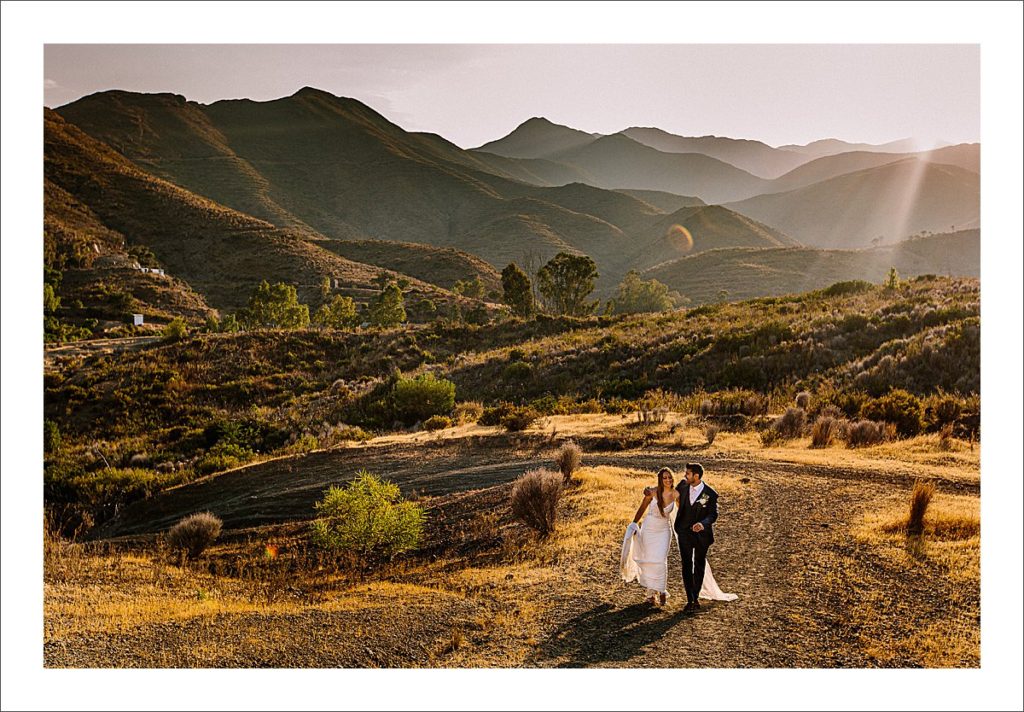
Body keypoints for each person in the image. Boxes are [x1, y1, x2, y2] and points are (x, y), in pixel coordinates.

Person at [621, 467, 678, 606]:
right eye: (664, 478)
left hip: (664, 530)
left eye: (669, 477)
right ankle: (651, 594)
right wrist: (634, 524)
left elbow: (682, 511)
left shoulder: (676, 494)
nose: (667, 480)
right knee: (649, 559)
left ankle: (662, 590)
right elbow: (642, 508)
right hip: (649, 529)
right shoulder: (652, 492)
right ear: (660, 479)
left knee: (660, 559)